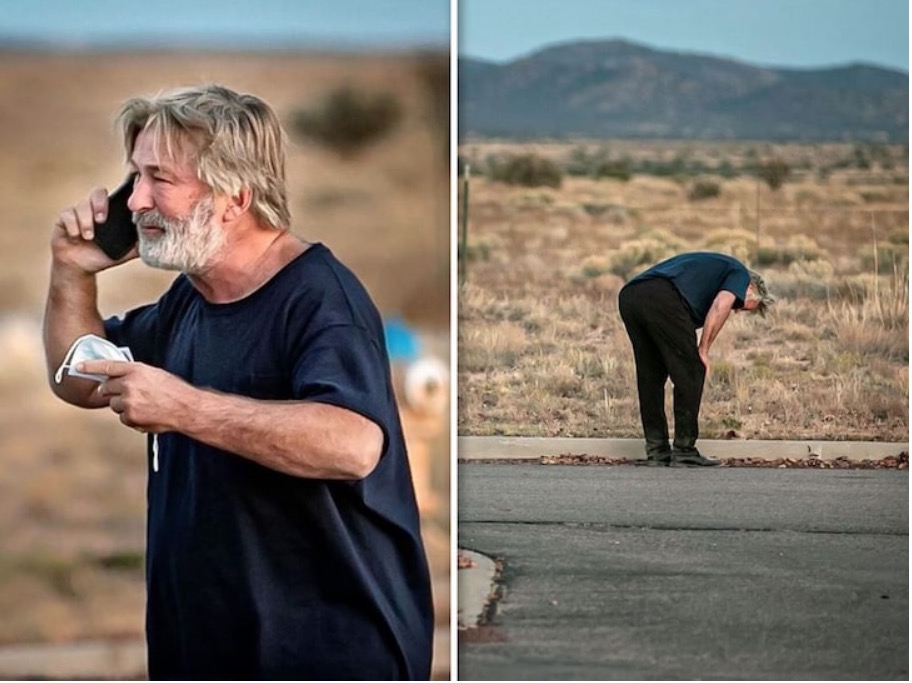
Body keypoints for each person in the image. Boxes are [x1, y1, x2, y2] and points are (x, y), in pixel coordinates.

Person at [43, 84, 434, 680]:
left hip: (324, 654)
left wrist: (186, 409)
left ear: (235, 197)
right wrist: (70, 271)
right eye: (134, 177)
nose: (136, 200)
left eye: (159, 180)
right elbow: (79, 376)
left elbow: (353, 445)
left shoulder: (320, 299)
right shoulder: (189, 299)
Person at [618, 251, 774, 468]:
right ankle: (684, 451)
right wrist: (703, 350)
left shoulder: (713, 273)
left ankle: (657, 451)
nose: (737, 311)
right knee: (692, 370)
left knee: (651, 376)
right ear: (751, 288)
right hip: (661, 296)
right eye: (740, 306)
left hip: (631, 296)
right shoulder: (739, 274)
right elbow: (721, 305)